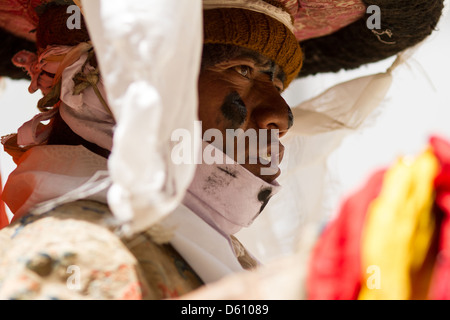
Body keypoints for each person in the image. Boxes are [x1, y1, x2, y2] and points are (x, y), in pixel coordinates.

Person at [0, 0, 302, 299]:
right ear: (116, 86)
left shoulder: (196, 249)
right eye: (243, 69)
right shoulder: (71, 255)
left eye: (277, 86)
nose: (281, 115)